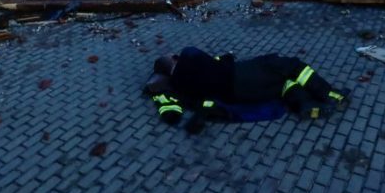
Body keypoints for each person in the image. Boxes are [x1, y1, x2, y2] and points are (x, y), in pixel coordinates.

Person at [145, 46, 349, 134]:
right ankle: (330, 94)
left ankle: (305, 104)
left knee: (282, 84)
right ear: (174, 59)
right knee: (290, 65)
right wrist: (225, 58)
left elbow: (173, 112)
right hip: (241, 75)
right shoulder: (188, 54)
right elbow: (214, 63)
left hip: (237, 95)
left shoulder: (180, 87)